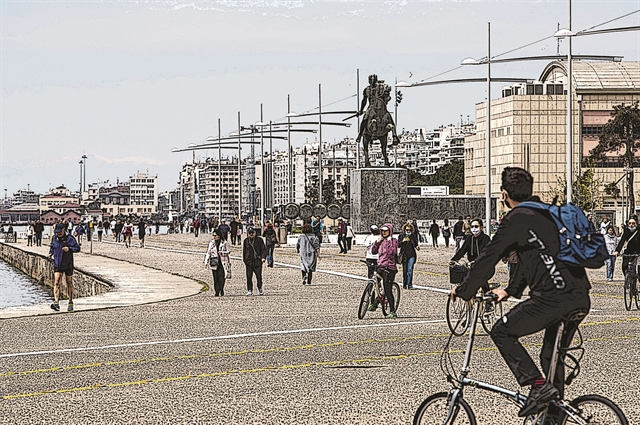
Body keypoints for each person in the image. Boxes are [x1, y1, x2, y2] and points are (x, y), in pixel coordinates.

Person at [450, 167, 592, 419]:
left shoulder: (516, 219)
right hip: (580, 296)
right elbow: (534, 259)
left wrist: (464, 291)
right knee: (550, 356)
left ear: (504, 195)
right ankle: (552, 416)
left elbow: (486, 260)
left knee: (501, 331)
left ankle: (537, 387)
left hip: (552, 299)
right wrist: (510, 290)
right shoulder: (547, 213)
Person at [49, 223, 81, 312]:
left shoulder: (70, 239)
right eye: (57, 232)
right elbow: (52, 247)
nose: (58, 234)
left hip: (68, 263)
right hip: (57, 263)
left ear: (64, 230)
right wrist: (50, 253)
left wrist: (69, 249)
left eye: (60, 232)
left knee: (69, 282)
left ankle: (70, 302)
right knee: (56, 282)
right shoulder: (54, 238)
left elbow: (78, 248)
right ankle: (56, 302)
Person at [371, 223, 399, 319]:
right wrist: (377, 242)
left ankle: (392, 311)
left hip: (390, 267)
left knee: (388, 290)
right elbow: (373, 251)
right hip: (380, 265)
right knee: (375, 283)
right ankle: (375, 302)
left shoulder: (394, 241)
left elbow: (393, 252)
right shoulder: (381, 240)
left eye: (385, 231)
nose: (383, 232)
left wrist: (390, 242)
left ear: (390, 231)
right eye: (382, 231)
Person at [204, 229, 230, 296]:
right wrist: (206, 261)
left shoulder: (224, 242)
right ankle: (216, 291)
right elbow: (208, 252)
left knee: (221, 277)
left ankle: (221, 289)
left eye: (215, 235)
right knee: (215, 278)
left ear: (219, 235)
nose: (214, 237)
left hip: (222, 262)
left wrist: (222, 253)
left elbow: (228, 251)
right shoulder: (212, 243)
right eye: (213, 235)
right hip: (214, 262)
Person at [242, 227, 266, 296]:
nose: (251, 234)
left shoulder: (259, 240)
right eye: (250, 233)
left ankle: (260, 288)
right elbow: (244, 251)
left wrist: (263, 258)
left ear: (255, 233)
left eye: (252, 232)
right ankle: (249, 290)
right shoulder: (246, 241)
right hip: (249, 262)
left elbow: (263, 249)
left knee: (259, 276)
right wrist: (245, 260)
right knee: (249, 276)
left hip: (257, 261)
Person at [398, 222, 419, 289]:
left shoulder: (413, 236)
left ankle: (410, 284)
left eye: (409, 230)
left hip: (411, 254)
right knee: (405, 271)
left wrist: (417, 247)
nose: (408, 231)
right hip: (404, 255)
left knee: (410, 270)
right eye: (407, 230)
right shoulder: (401, 236)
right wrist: (402, 241)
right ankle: (405, 283)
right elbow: (398, 245)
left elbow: (416, 244)